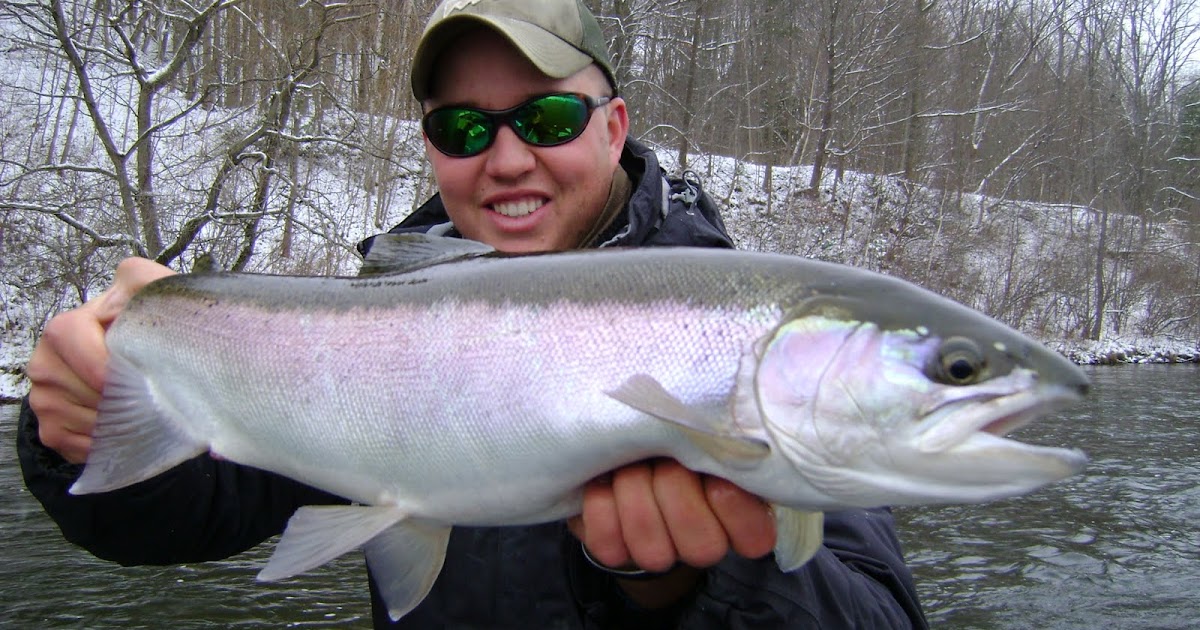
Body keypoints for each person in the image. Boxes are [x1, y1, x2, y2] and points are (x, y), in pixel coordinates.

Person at [18, 0, 929, 627]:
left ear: (613, 129)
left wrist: (694, 584)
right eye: (463, 129)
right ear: (432, 150)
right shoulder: (368, 326)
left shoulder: (757, 335)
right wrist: (83, 428)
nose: (505, 159)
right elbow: (178, 516)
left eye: (548, 119)